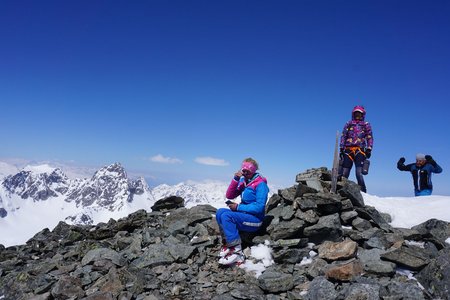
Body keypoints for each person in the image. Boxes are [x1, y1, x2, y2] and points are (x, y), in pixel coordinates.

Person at [215, 157, 269, 265]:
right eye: (243, 170)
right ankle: (228, 243)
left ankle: (237, 252)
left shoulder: (261, 185)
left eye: (247, 171)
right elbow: (229, 195)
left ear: (253, 171)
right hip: (244, 215)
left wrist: (238, 208)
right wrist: (235, 179)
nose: (244, 173)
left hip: (255, 220)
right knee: (220, 212)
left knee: (227, 216)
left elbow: (260, 207)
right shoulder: (245, 182)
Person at [339, 105, 374, 193]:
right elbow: (343, 135)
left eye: (359, 113)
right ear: (353, 114)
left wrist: (369, 149)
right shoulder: (349, 123)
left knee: (359, 173)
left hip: (360, 150)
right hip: (348, 150)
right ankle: (341, 191)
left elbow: (369, 137)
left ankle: (363, 193)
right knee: (344, 173)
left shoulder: (366, 124)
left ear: (363, 114)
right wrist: (341, 148)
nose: (358, 115)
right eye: (356, 113)